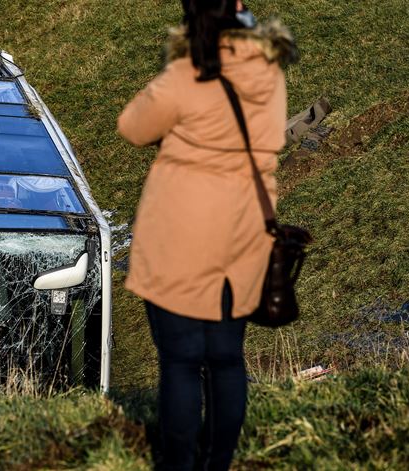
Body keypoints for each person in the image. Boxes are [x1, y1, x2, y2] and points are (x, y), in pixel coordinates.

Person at [117, 1, 295, 469]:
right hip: (244, 233)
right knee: (225, 358)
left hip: (179, 234)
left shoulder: (186, 72)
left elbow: (132, 126)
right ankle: (217, 463)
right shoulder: (268, 72)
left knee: (180, 363)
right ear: (239, 8)